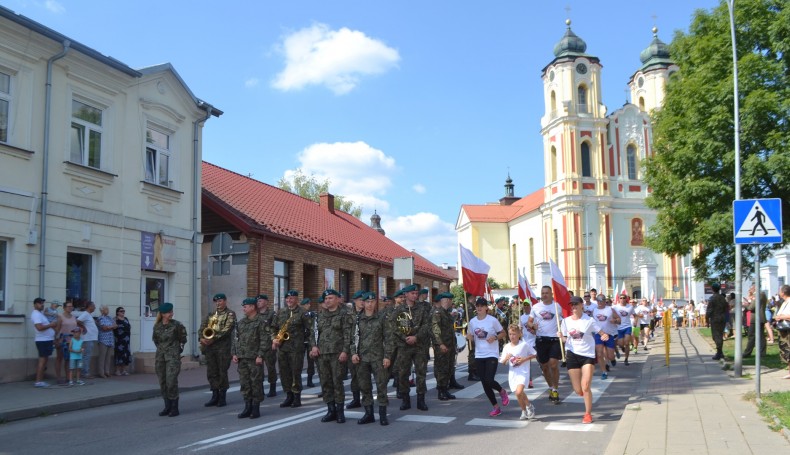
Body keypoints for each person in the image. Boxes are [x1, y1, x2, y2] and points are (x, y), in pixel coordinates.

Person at [560, 296, 610, 424]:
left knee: (586, 385)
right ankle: (585, 395)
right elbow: (566, 339)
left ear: (582, 305)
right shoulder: (565, 321)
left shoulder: (589, 321)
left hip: (587, 355)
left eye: (576, 304)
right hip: (572, 355)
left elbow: (601, 332)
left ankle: (587, 414)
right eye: (572, 305)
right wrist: (561, 337)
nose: (574, 306)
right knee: (578, 390)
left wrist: (604, 336)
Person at [310, 289, 353, 423]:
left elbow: (348, 335)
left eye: (330, 298)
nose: (327, 301)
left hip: (337, 354)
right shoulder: (320, 316)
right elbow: (314, 333)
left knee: (337, 382)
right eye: (326, 299)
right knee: (325, 383)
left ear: (337, 299)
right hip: (322, 354)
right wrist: (314, 346)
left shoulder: (345, 314)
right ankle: (330, 410)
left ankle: (340, 412)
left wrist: (345, 351)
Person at [352, 292, 393, 425]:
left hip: (378, 357)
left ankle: (382, 414)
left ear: (376, 303)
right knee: (364, 386)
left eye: (372, 302)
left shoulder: (381, 318)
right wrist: (353, 353)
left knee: (381, 385)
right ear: (363, 303)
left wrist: (387, 356)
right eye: (367, 302)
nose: (370, 304)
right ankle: (369, 413)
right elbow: (351, 338)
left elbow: (389, 338)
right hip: (362, 358)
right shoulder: (357, 319)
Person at [392, 284, 432, 411]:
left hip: (420, 345)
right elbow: (394, 327)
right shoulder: (399, 310)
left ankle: (421, 400)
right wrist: (405, 338)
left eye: (416, 293)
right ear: (406, 295)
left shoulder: (422, 309)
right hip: (404, 346)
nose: (415, 295)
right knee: (403, 373)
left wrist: (416, 337)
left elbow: (426, 325)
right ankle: (405, 399)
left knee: (421, 372)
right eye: (412, 293)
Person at [467, 297, 507, 417]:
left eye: (481, 305)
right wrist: (469, 337)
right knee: (484, 383)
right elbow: (471, 336)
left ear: (486, 308)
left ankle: (502, 391)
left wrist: (495, 337)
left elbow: (503, 333)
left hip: (491, 354)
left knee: (489, 379)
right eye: (477, 305)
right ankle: (496, 407)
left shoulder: (492, 320)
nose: (479, 307)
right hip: (479, 355)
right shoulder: (473, 322)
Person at [272, 289, 311, 408]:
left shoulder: (303, 312)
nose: (289, 300)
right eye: (287, 298)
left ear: (296, 299)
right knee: (284, 372)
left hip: (296, 348)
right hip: (282, 347)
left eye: (291, 298)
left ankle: (297, 397)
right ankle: (288, 395)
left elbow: (310, 329)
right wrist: (274, 338)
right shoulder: (281, 312)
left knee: (295, 372)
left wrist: (304, 342)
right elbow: (273, 327)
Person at [200, 293, 237, 407]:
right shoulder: (211, 315)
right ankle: (214, 395)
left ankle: (222, 397)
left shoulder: (230, 314)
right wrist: (201, 338)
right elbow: (202, 327)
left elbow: (227, 329)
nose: (218, 303)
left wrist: (213, 338)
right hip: (210, 348)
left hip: (222, 349)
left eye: (220, 301)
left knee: (222, 372)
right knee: (211, 372)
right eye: (216, 301)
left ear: (225, 301)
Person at [233, 298, 268, 419]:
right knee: (245, 383)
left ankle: (255, 407)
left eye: (245, 306)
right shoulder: (241, 323)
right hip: (242, 357)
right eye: (243, 307)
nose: (243, 309)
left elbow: (264, 340)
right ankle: (247, 407)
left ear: (252, 307)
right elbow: (236, 339)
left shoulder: (261, 321)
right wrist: (235, 354)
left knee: (256, 382)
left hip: (254, 358)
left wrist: (260, 355)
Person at [527, 286, 563, 403]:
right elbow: (529, 322)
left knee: (553, 364)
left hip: (554, 339)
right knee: (545, 367)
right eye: (543, 293)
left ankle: (556, 390)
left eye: (547, 293)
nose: (544, 295)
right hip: (541, 339)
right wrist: (532, 326)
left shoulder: (557, 306)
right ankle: (551, 387)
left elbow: (562, 321)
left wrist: (562, 331)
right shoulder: (536, 307)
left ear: (551, 294)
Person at [153, 302, 187, 417]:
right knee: (163, 382)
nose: (171, 314)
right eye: (169, 312)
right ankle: (167, 406)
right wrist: (163, 350)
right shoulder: (157, 326)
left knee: (171, 381)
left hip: (172, 357)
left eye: (171, 312)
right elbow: (156, 340)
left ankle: (174, 407)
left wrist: (177, 350)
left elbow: (183, 339)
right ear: (162, 314)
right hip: (160, 357)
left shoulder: (177, 325)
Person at [500, 324, 536, 420]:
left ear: (519, 334)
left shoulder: (524, 345)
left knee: (518, 392)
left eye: (514, 334)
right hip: (513, 374)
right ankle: (525, 410)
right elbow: (502, 362)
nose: (512, 336)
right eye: (510, 334)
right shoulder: (506, 347)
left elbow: (534, 354)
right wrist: (506, 358)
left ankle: (528, 407)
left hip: (523, 372)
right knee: (519, 393)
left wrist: (524, 359)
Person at [431, 292, 457, 401]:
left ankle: (445, 389)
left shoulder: (446, 313)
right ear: (446, 300)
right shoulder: (438, 313)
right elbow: (435, 330)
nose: (451, 302)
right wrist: (440, 344)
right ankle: (441, 391)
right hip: (442, 346)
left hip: (449, 345)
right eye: (450, 300)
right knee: (442, 368)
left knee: (449, 368)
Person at [346, 290, 367, 409]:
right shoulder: (348, 315)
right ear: (355, 301)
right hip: (352, 349)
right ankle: (355, 399)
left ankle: (366, 398)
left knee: (365, 376)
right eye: (360, 300)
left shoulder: (369, 314)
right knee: (354, 375)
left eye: (364, 300)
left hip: (366, 350)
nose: (363, 302)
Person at [592, 295, 620, 378]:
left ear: (605, 301)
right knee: (599, 354)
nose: (600, 302)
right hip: (599, 334)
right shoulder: (594, 310)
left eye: (601, 300)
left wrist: (615, 320)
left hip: (609, 334)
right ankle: (604, 372)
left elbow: (619, 320)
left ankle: (613, 359)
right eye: (598, 300)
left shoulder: (610, 309)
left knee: (610, 356)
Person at [256, 294, 278, 397]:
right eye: (257, 301)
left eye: (260, 301)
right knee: (257, 368)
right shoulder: (255, 314)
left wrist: (274, 341)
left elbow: (274, 328)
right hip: (258, 345)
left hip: (269, 345)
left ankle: (272, 387)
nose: (258, 302)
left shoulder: (272, 314)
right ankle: (259, 388)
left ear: (266, 302)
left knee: (270, 367)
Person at [31, 297, 56, 387]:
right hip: (42, 341)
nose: (42, 305)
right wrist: (51, 325)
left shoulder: (40, 314)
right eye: (40, 303)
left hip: (47, 340)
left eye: (42, 303)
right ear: (35, 305)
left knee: (44, 361)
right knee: (42, 361)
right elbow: (39, 328)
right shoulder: (36, 314)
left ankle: (40, 380)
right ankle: (38, 381)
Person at [55, 300, 79, 384]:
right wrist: (56, 340)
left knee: (68, 359)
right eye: (68, 306)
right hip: (62, 340)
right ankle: (58, 377)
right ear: (64, 308)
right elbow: (57, 329)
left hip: (71, 341)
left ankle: (68, 377)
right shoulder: (60, 316)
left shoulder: (73, 317)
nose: (70, 308)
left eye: (71, 306)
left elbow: (76, 328)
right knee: (59, 358)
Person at [706, 283, 729, 360]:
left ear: (712, 289)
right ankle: (720, 352)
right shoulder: (723, 298)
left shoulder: (712, 298)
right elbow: (726, 307)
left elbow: (709, 311)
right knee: (720, 335)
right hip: (722, 318)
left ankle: (719, 352)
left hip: (715, 319)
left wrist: (707, 321)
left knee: (716, 336)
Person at [743, 292, 768, 357]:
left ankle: (747, 352)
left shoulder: (758, 297)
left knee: (752, 336)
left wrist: (746, 304)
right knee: (761, 336)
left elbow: (751, 307)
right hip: (759, 318)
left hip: (755, 319)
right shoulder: (762, 296)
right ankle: (762, 353)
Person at [613, 295, 635, 366]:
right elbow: (611, 315)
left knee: (626, 343)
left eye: (624, 298)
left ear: (626, 299)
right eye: (621, 298)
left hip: (627, 327)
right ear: (619, 299)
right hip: (618, 328)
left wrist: (635, 321)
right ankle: (622, 348)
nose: (622, 299)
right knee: (620, 344)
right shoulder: (615, 307)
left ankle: (626, 359)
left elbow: (635, 315)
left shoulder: (630, 307)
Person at [300, 298, 318, 388]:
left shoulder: (312, 314)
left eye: (309, 304)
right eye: (307, 304)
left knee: (311, 361)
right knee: (299, 361)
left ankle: (309, 380)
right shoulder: (298, 314)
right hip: (300, 341)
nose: (308, 306)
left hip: (310, 340)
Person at [96, 305, 117, 378]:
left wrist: (109, 327)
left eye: (107, 309)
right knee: (102, 357)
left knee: (108, 357)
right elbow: (104, 328)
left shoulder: (109, 318)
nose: (107, 310)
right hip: (103, 340)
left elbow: (115, 325)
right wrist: (111, 327)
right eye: (106, 309)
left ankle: (107, 371)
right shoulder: (100, 318)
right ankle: (101, 372)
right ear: (102, 310)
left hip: (110, 339)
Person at [774, 285, 790, 379]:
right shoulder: (784, 303)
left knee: (788, 349)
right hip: (783, 329)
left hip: (788, 329)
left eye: (780, 291)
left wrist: (782, 317)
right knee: (785, 349)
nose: (779, 292)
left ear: (783, 292)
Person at [114, 307, 131, 375]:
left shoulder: (126, 319)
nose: (123, 312)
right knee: (119, 354)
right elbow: (114, 328)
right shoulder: (115, 319)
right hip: (119, 340)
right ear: (117, 312)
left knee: (126, 354)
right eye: (121, 311)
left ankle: (124, 370)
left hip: (126, 340)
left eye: (123, 311)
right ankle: (117, 371)